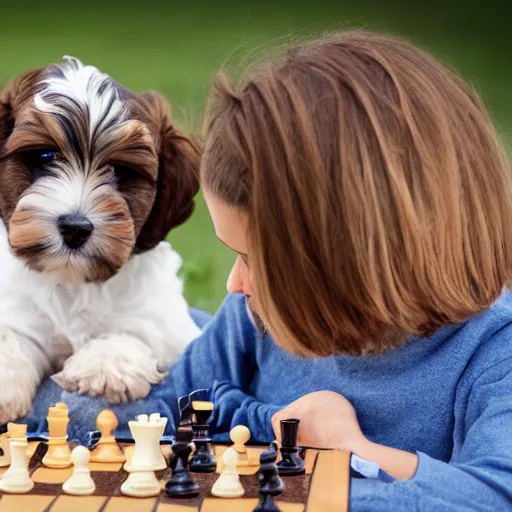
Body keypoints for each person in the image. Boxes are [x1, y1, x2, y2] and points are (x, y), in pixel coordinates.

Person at [23, 30, 512, 510]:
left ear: (350, 256)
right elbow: (165, 410)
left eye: (256, 260)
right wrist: (275, 422)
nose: (234, 284)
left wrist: (349, 452)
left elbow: (494, 495)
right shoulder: (251, 312)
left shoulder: (495, 352)